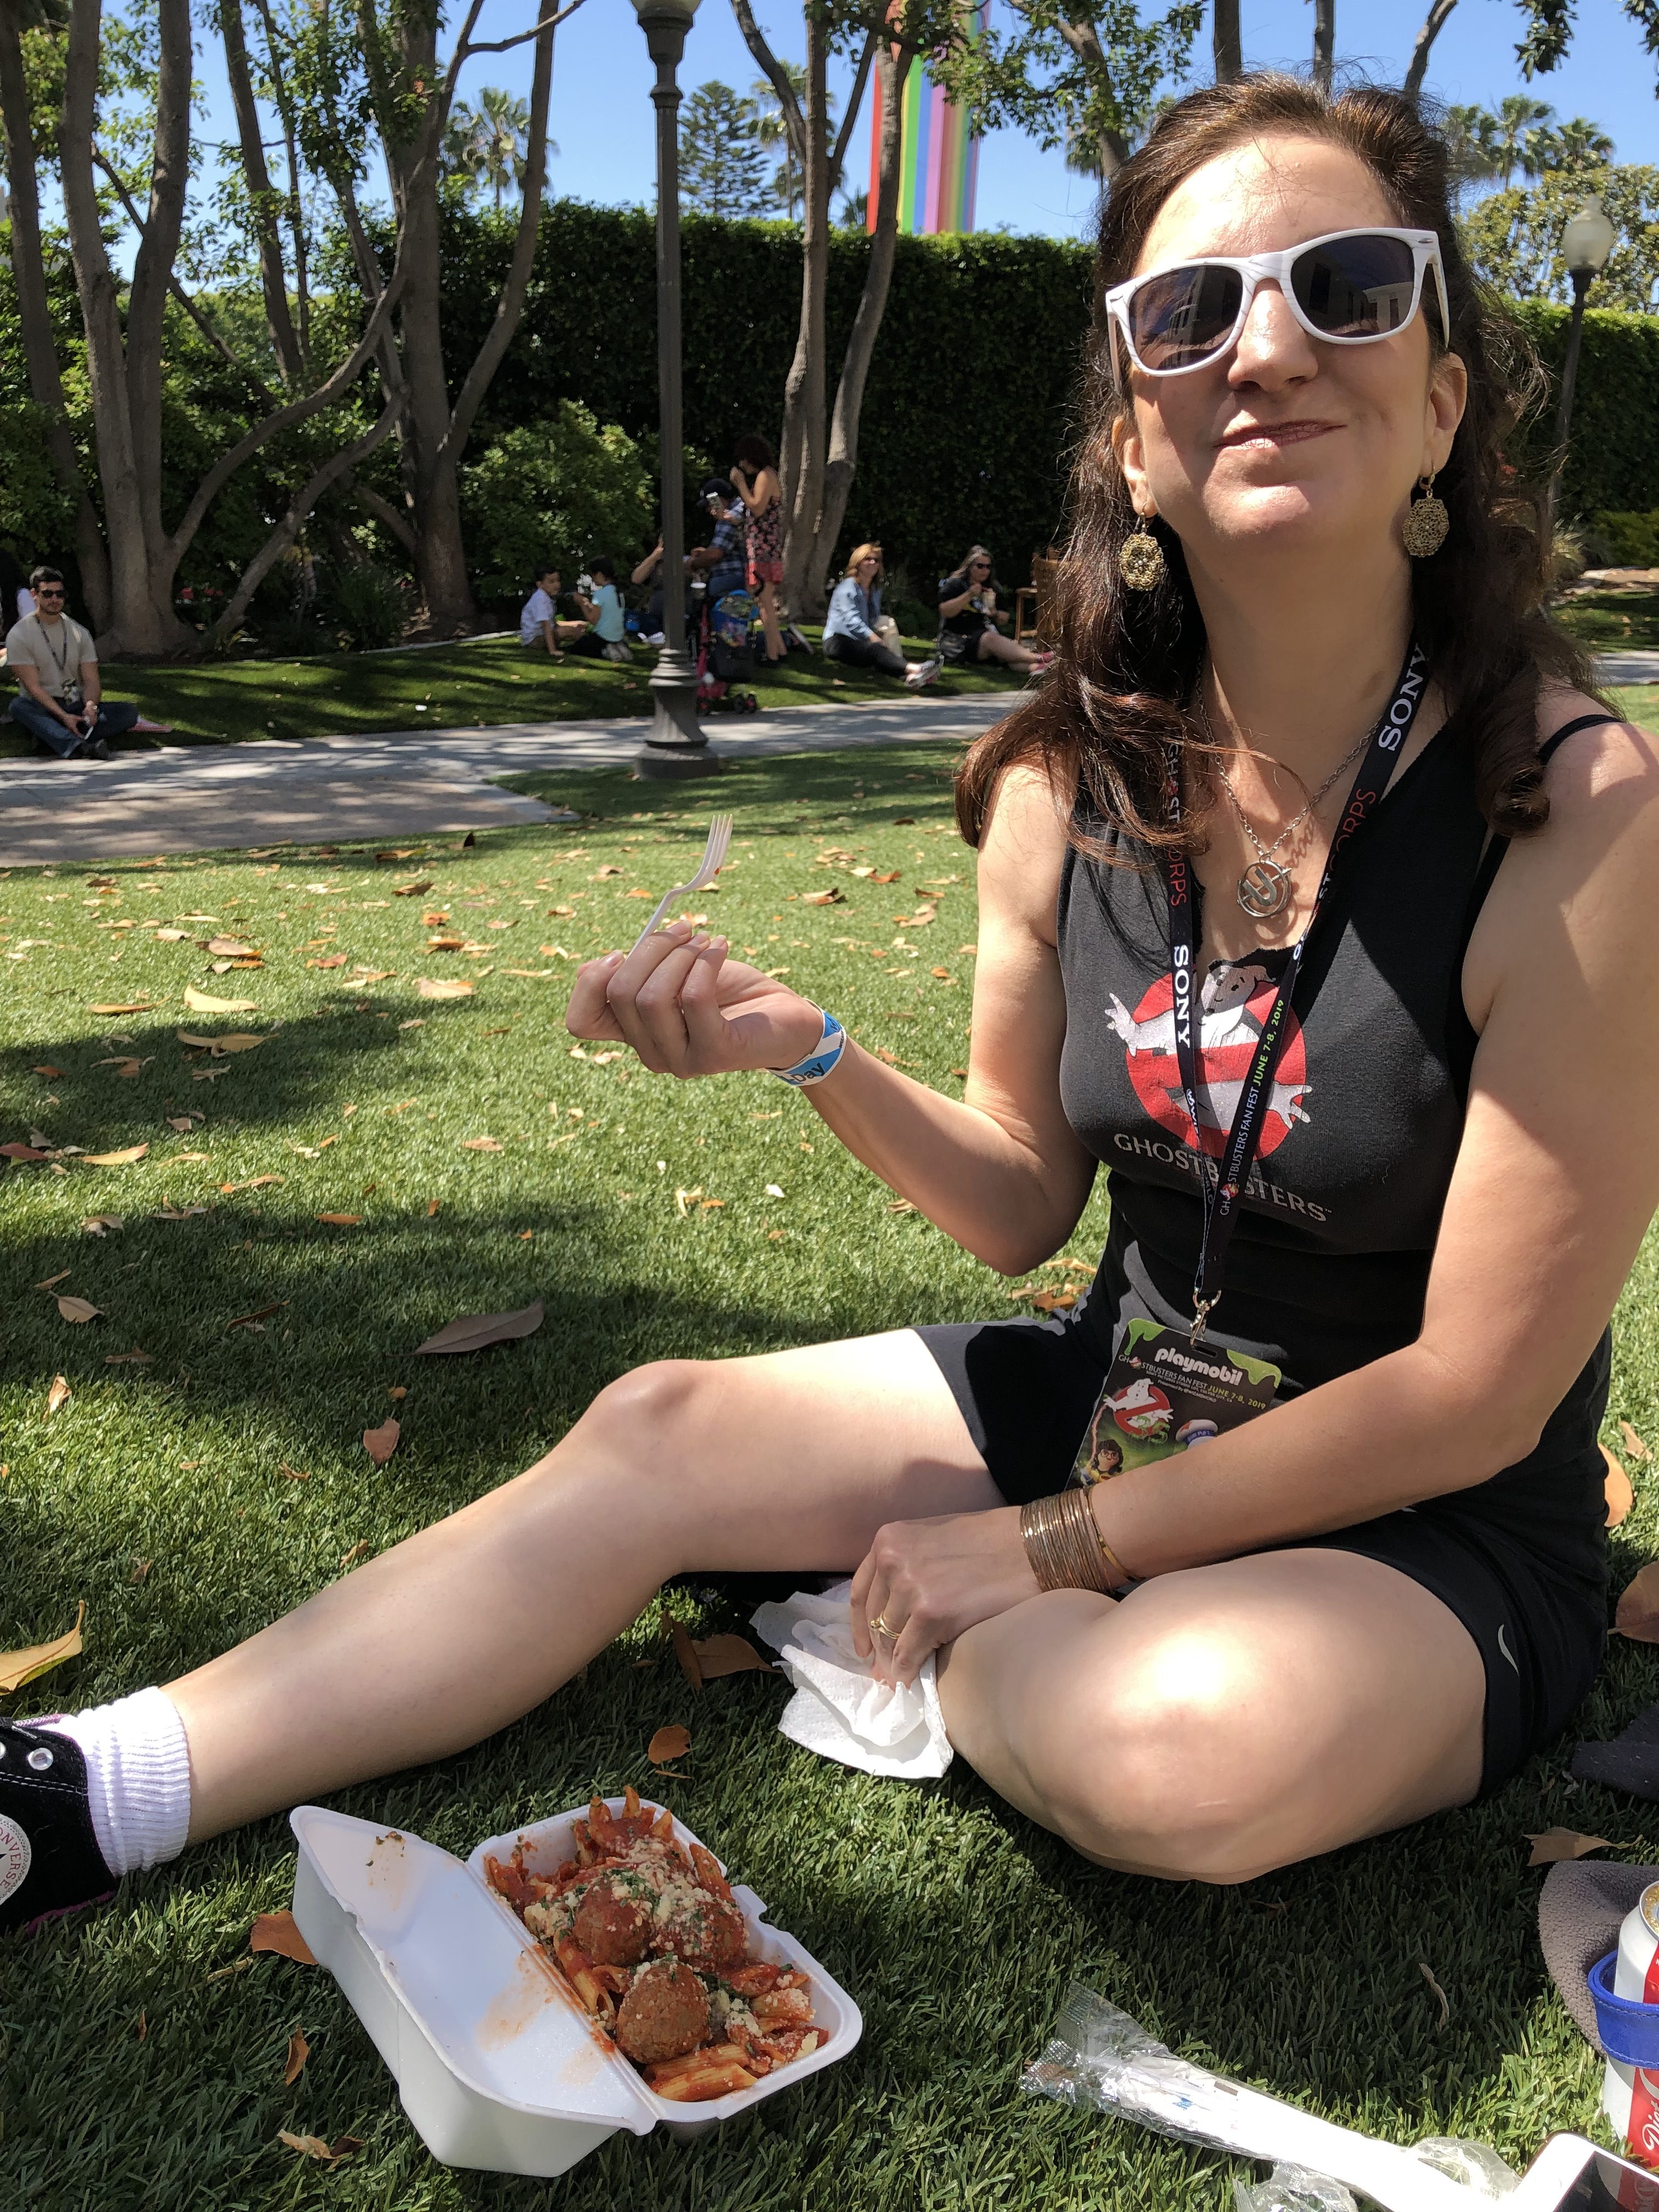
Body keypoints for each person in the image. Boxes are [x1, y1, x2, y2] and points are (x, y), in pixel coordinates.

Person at [8, 75, 1659, 1935]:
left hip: (1415, 1526)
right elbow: (1024, 1200)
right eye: (1193, 311)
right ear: (1131, 438)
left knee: (1174, 1749)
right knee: (657, 1430)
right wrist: (805, 1047)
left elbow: (1469, 1397)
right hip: (1124, 1407)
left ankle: (886, 1616)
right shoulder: (1061, 783)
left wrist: (1039, 1547)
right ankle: (95, 1781)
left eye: (1346, 287)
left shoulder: (1576, 812)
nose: (1267, 350)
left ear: (1441, 401)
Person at [5, 567, 138, 760]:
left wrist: (91, 706)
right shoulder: (19, 634)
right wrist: (63, 716)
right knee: (18, 706)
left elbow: (91, 680)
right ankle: (80, 745)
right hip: (44, 706)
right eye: (48, 594)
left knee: (128, 712)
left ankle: (52, 737)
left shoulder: (79, 632)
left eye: (60, 594)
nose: (55, 599)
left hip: (76, 703)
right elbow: (33, 688)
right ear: (34, 594)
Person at [821, 544, 939, 690]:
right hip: (837, 641)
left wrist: (877, 634)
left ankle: (911, 678)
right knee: (875, 649)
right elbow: (851, 621)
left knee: (880, 648)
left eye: (876, 560)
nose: (872, 563)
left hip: (859, 641)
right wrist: (873, 637)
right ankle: (916, 668)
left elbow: (872, 618)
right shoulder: (848, 587)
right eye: (867, 559)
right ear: (858, 562)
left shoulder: (875, 590)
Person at [936, 546, 1048, 672]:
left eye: (988, 567)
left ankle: (1041, 668)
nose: (985, 571)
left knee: (1009, 656)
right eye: (980, 566)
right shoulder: (956, 584)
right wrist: (969, 595)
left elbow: (1005, 618)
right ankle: (1041, 658)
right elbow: (945, 611)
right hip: (958, 641)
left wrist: (995, 613)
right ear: (970, 566)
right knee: (991, 639)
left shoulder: (992, 587)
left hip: (987, 640)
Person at [731, 434, 786, 665]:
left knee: (764, 603)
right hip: (762, 547)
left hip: (764, 549)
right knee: (762, 601)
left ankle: (772, 656)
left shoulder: (765, 475)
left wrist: (740, 484)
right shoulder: (767, 475)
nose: (742, 465)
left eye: (743, 459)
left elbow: (758, 508)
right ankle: (780, 650)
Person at [563, 558, 633, 662]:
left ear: (600, 574)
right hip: (618, 635)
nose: (592, 579)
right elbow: (606, 612)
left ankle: (606, 651)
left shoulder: (600, 594)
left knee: (576, 648)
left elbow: (593, 620)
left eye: (593, 576)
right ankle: (618, 646)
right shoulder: (619, 593)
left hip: (602, 637)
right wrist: (588, 604)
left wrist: (582, 604)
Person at [520, 566, 584, 660]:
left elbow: (553, 623)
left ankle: (579, 648)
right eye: (551, 582)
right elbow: (546, 626)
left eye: (558, 581)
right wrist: (553, 651)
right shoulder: (541, 600)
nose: (557, 585)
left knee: (576, 628)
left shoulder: (545, 598)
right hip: (535, 640)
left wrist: (577, 624)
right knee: (570, 631)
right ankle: (583, 649)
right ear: (540, 584)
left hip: (538, 637)